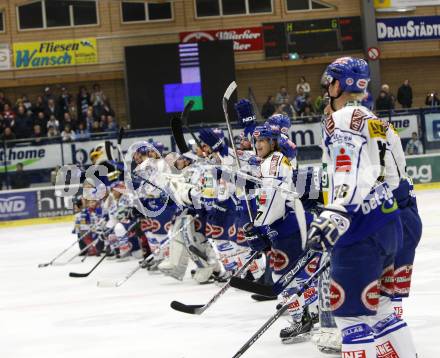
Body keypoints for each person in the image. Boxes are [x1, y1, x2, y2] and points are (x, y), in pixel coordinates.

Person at [312, 56, 417, 357]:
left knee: (351, 317)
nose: (325, 88)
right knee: (382, 310)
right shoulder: (377, 121)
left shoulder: (343, 119)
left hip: (359, 229)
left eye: (328, 82)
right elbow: (396, 175)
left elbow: (348, 169)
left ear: (338, 84)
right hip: (387, 223)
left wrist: (335, 213)